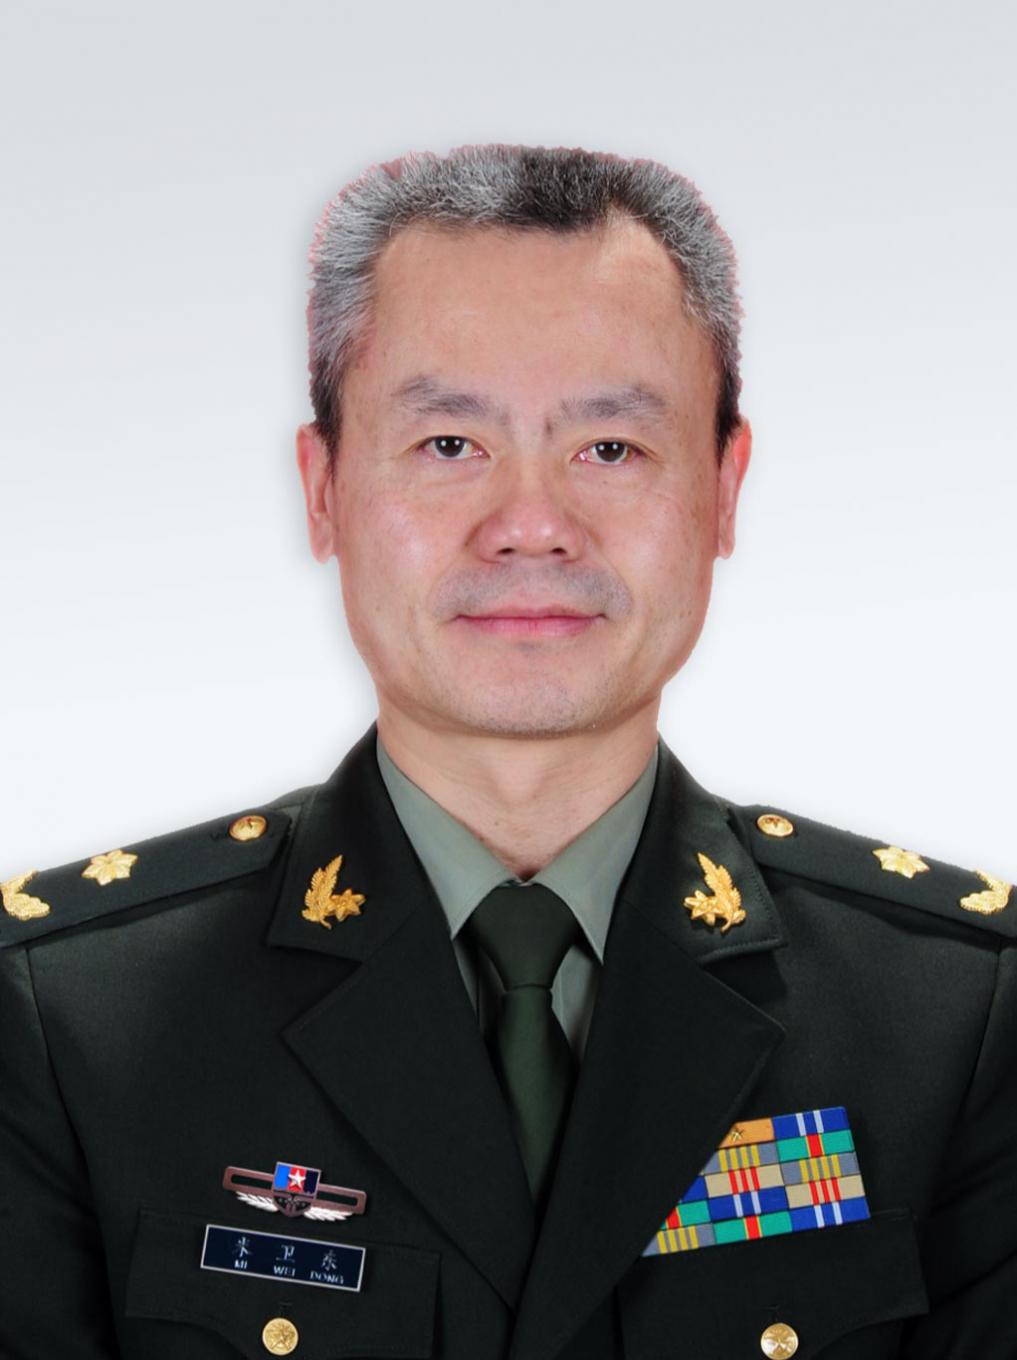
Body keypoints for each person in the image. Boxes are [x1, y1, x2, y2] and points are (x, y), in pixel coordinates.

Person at [0, 143, 1013, 1360]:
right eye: (448, 444)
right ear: (322, 490)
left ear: (724, 487)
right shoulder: (64, 1018)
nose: (532, 526)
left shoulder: (958, 1014)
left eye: (610, 448)